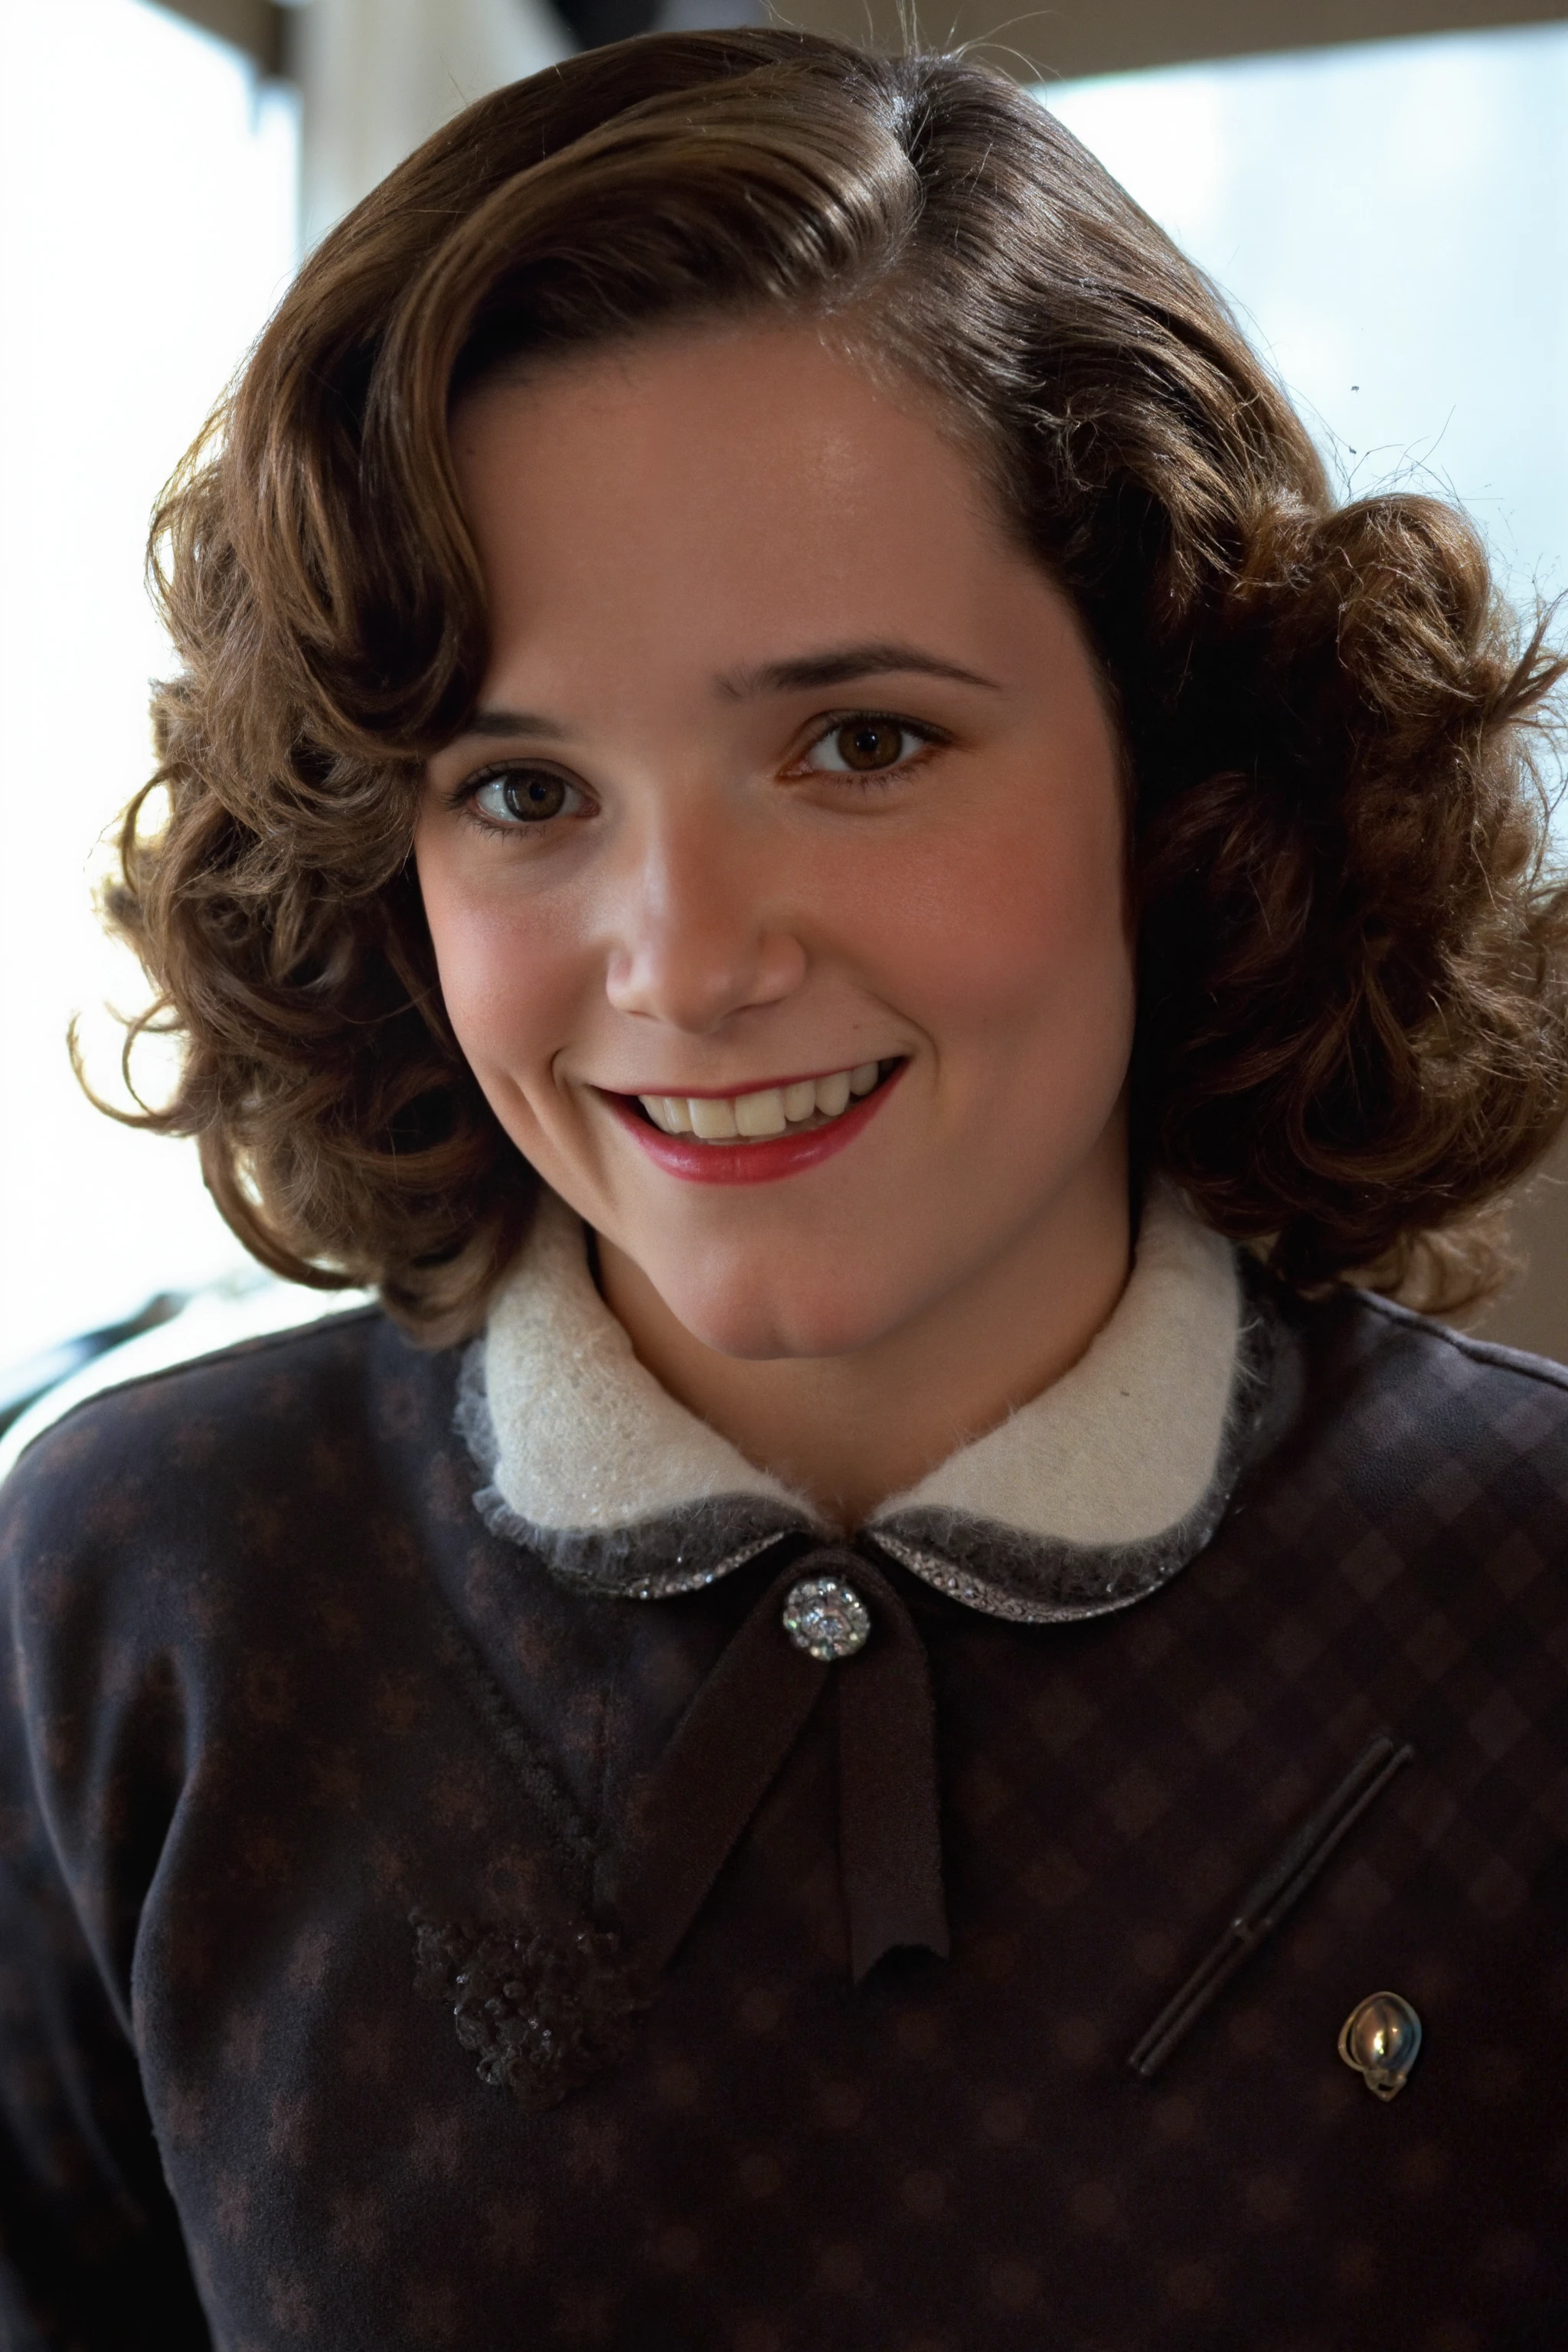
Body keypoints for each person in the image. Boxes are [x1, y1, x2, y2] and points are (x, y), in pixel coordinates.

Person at [2, 28, 1566, 2350]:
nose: (690, 960)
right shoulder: (132, 1605)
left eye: (862, 745)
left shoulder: (1529, 1599)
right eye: (524, 792)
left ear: (1192, 771)